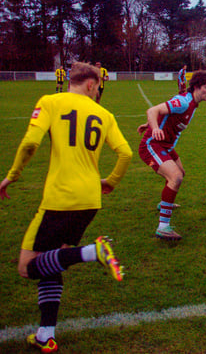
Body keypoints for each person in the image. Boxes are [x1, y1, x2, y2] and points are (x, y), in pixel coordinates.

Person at [0, 62, 132, 353]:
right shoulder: (104, 114)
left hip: (60, 199)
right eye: (97, 86)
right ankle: (46, 334)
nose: (98, 91)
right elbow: (125, 153)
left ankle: (92, 252)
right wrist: (110, 181)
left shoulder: (50, 102)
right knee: (53, 260)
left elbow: (29, 144)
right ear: (89, 84)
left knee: (26, 267)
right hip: (90, 200)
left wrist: (12, 176)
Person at [138, 70, 206, 241]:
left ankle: (164, 203)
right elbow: (152, 110)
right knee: (175, 177)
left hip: (166, 146)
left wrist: (149, 124)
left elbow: (164, 113)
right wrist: (154, 127)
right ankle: (163, 227)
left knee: (180, 173)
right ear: (196, 86)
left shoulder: (192, 103)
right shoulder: (183, 102)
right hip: (152, 145)